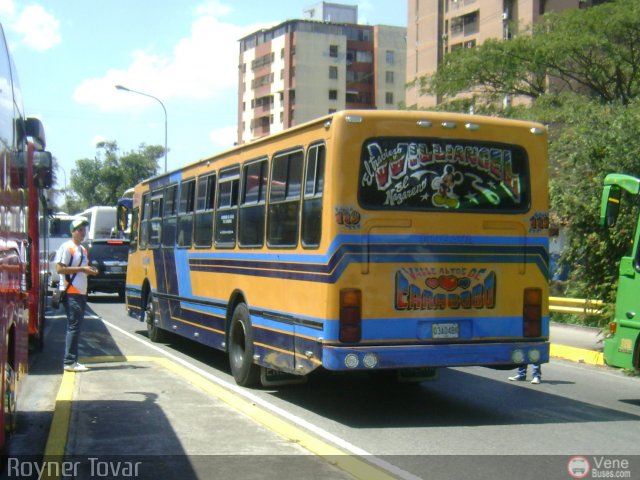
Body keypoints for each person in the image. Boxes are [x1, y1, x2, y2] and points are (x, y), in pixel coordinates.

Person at [55, 217, 97, 372]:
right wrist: (82, 270)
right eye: (80, 230)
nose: (83, 232)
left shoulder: (83, 249)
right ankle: (70, 361)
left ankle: (72, 360)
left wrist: (90, 270)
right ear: (73, 232)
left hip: (80, 292)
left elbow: (83, 268)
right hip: (71, 292)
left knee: (76, 326)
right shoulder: (67, 247)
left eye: (84, 229)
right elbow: (59, 269)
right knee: (74, 326)